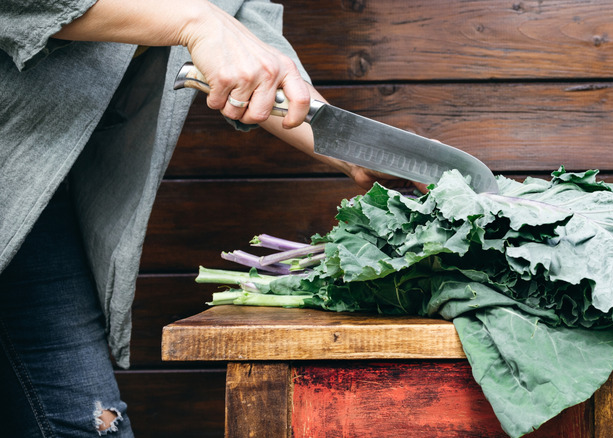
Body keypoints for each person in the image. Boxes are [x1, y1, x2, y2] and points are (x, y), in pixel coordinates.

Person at [0, 1, 417, 436]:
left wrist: (357, 150)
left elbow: (255, 51)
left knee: (88, 425)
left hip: (28, 202)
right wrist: (194, 20)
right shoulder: (197, 15)